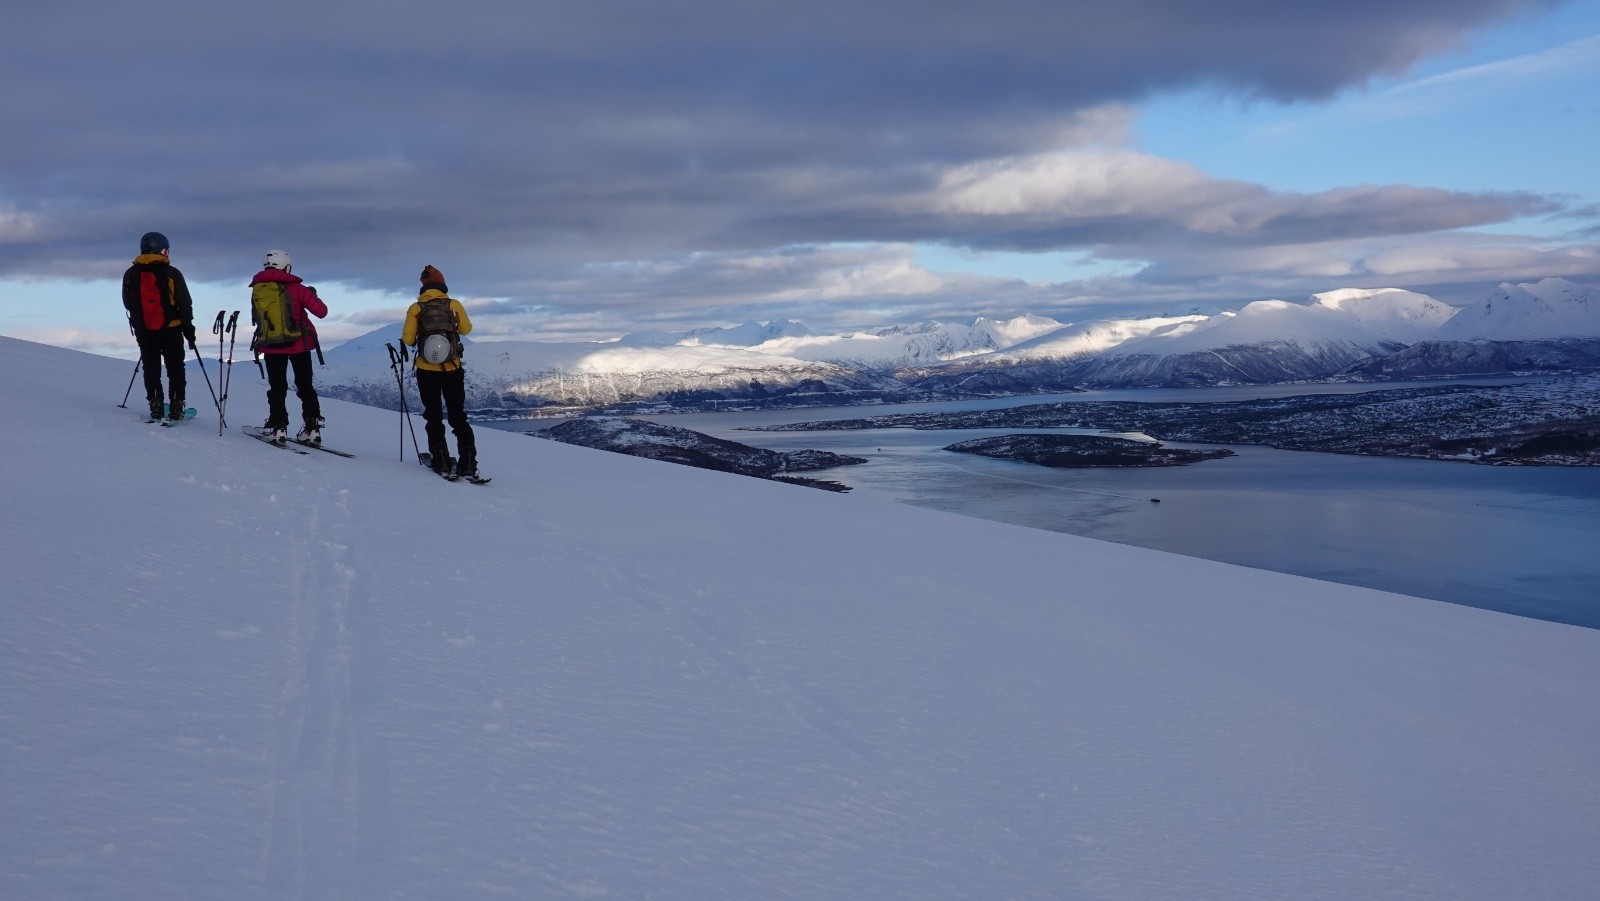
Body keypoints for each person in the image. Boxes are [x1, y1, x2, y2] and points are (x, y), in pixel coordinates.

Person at [401, 265, 478, 478]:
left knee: (433, 416)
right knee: (458, 416)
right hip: (452, 368)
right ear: (443, 285)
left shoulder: (416, 308)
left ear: (423, 287)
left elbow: (408, 339)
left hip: (427, 370)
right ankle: (469, 463)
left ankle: (441, 459)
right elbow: (466, 329)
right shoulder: (453, 305)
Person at [250, 249, 328, 445]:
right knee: (305, 386)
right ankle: (312, 428)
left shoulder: (259, 288)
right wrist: (310, 295)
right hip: (299, 345)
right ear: (287, 267)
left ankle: (278, 427)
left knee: (277, 388)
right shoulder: (297, 288)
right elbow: (322, 312)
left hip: (270, 346)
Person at [121, 231, 196, 421]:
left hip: (144, 330)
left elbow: (127, 303)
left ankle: (155, 404)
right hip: (171, 328)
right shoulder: (172, 273)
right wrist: (189, 330)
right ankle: (177, 405)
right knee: (175, 367)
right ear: (163, 250)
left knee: (151, 367)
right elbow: (185, 303)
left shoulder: (130, 273)